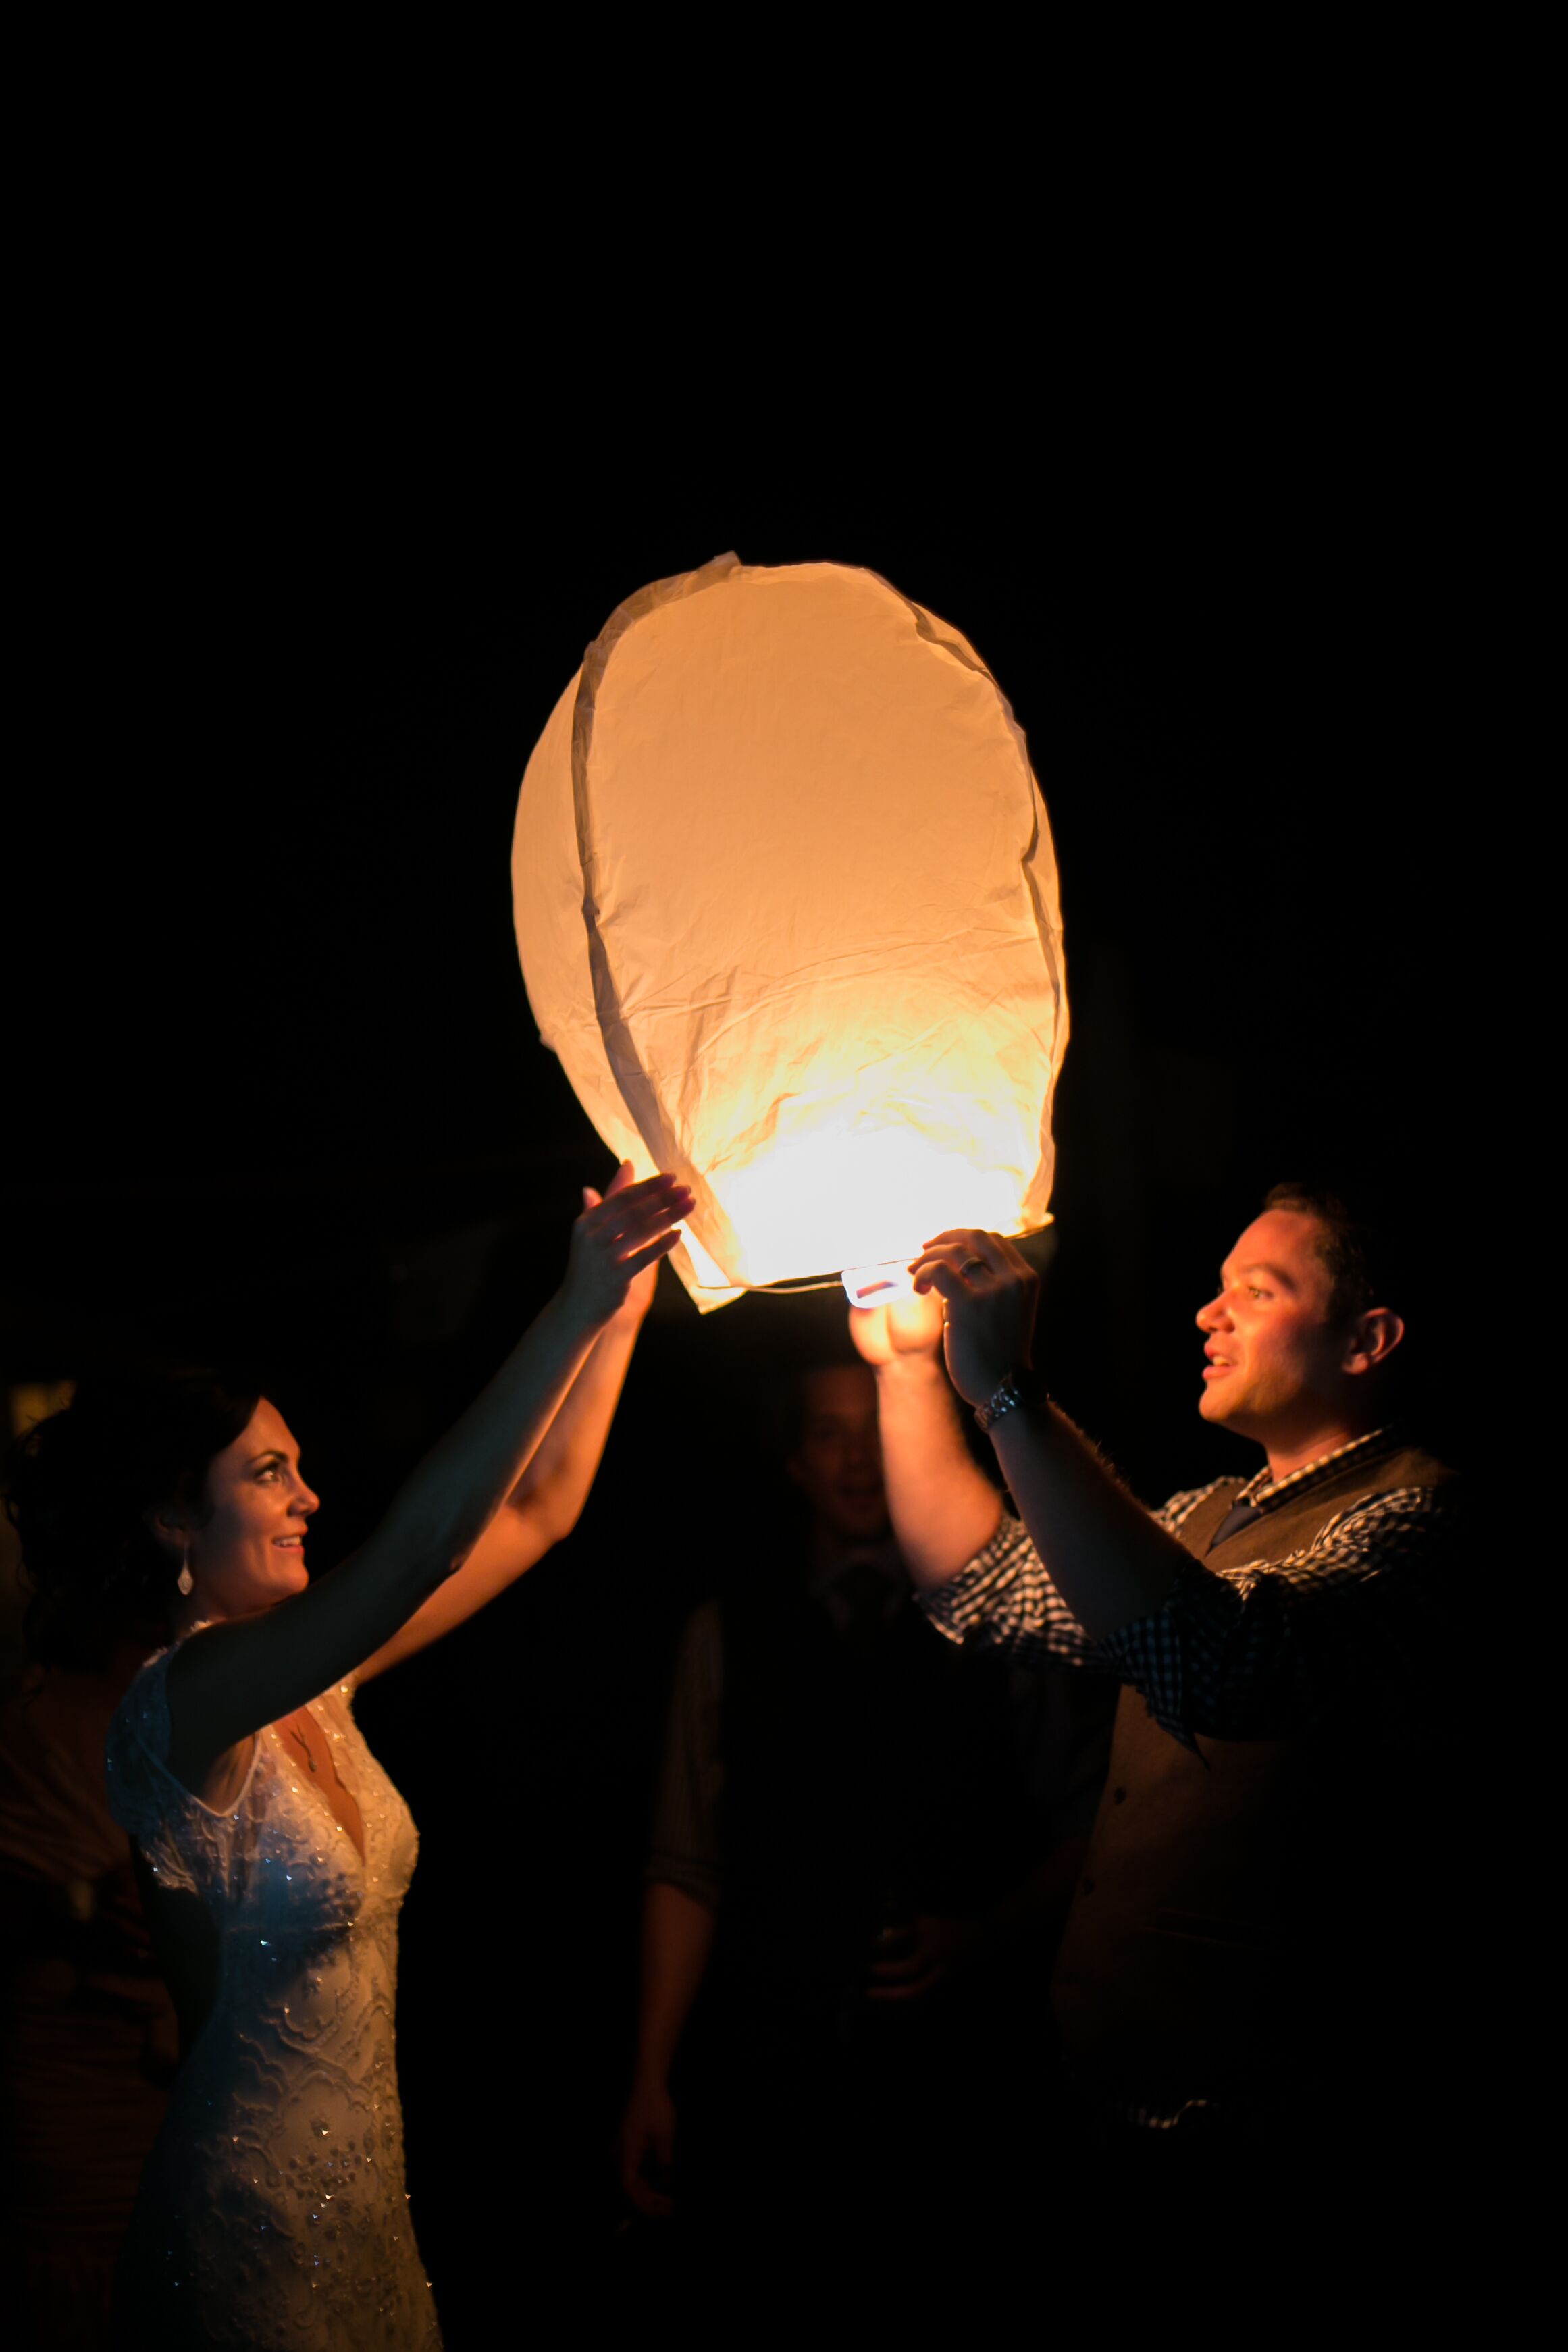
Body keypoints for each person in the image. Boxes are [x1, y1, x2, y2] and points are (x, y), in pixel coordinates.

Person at [4, 1165, 692, 2351]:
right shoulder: (188, 1701)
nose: (310, 1496)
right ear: (176, 1519)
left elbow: (537, 1510)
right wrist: (566, 1304)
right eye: (270, 1473)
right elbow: (421, 1546)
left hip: (366, 2205)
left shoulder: (311, 1687)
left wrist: (619, 1316)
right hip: (246, 2225)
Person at [856, 1184, 1462, 2191]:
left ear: (1366, 1339)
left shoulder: (1419, 1517)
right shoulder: (1209, 1515)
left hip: (1272, 2135)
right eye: (1216, 1289)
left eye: (1254, 1293)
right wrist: (909, 1365)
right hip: (1109, 2106)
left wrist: (1008, 1392)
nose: (1207, 1315)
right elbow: (986, 1589)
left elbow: (1221, 1661)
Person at [617, 1355, 1113, 2268]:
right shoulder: (725, 1632)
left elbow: (1093, 1823)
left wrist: (985, 1934)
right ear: (793, 1462)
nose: (856, 1461)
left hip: (970, 2085)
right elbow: (684, 1865)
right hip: (775, 2082)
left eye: (872, 1430)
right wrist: (651, 2075)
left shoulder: (1007, 1623)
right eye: (827, 1434)